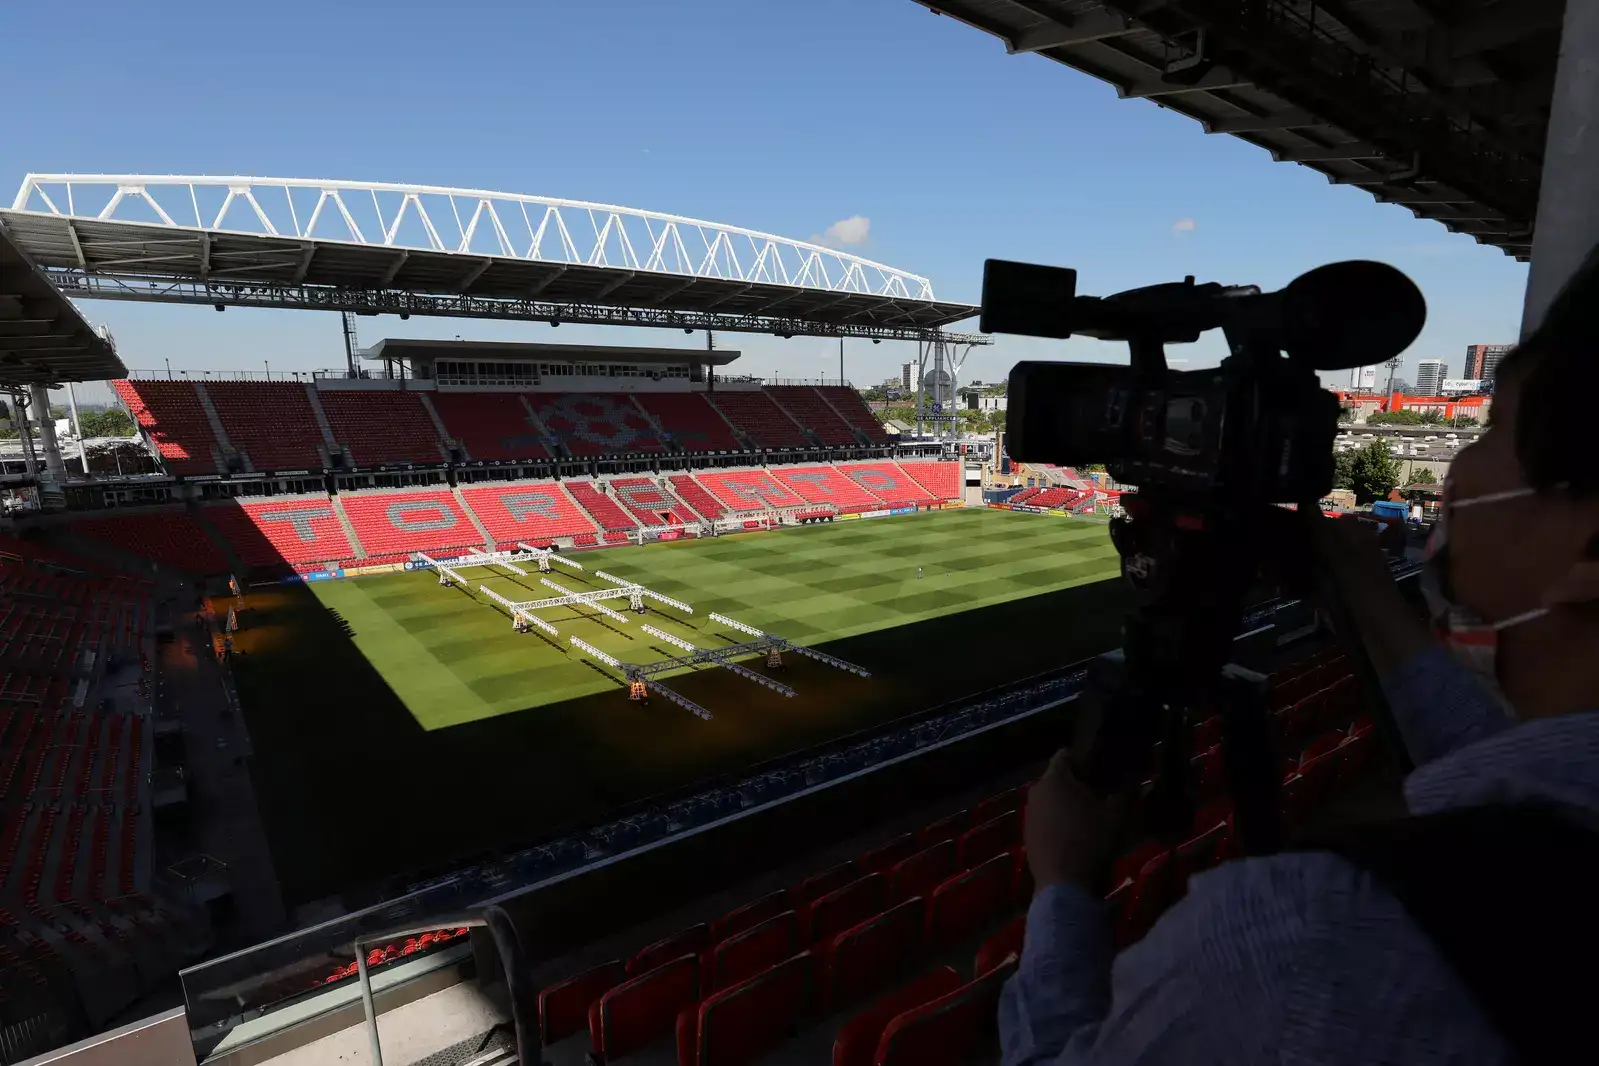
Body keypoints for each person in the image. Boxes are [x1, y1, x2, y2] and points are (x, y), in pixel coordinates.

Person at [1000, 245, 1599, 1065]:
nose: (1459, 474)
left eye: (1493, 430)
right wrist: (1358, 586)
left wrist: (1062, 888)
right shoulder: (1555, 810)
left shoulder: (1310, 939)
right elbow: (1496, 769)